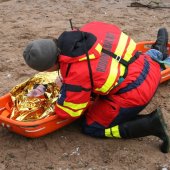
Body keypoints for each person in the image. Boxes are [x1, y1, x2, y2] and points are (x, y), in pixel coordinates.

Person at [23, 21, 169, 153]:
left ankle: (151, 124)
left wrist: (63, 89)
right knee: (137, 59)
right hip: (146, 63)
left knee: (92, 127)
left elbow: (69, 111)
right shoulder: (89, 28)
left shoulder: (76, 73)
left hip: (137, 91)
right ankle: (159, 49)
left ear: (49, 67)